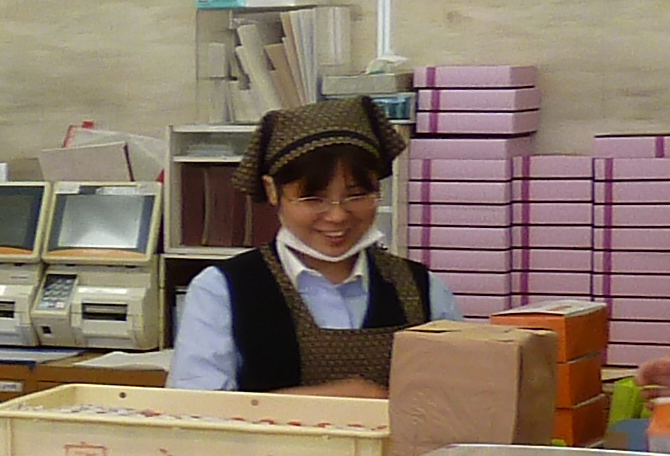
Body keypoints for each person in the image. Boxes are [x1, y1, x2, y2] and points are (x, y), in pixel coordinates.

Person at [169, 95, 461, 395]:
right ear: (273, 191)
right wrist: (345, 398)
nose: (337, 215)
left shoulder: (423, 290)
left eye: (357, 195)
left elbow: (463, 401)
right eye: (313, 198)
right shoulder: (222, 291)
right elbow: (196, 413)